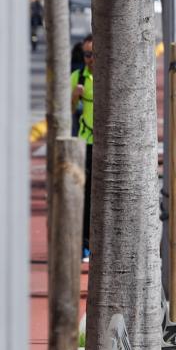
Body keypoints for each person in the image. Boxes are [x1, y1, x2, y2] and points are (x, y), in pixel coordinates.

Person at [72, 36, 96, 261]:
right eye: (86, 55)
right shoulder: (78, 77)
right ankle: (85, 245)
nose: (89, 59)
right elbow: (66, 110)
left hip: (106, 145)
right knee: (85, 197)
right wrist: (74, 95)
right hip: (85, 144)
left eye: (92, 54)